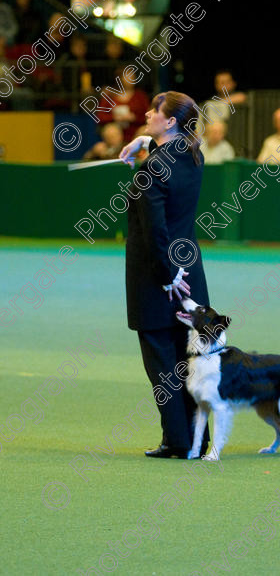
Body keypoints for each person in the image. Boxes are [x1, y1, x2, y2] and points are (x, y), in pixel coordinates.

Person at [119, 91, 210, 459]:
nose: (146, 112)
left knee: (162, 366)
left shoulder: (151, 169)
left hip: (160, 278)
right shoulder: (194, 155)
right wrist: (146, 141)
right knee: (189, 361)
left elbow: (155, 231)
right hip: (190, 272)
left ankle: (177, 442)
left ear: (169, 120)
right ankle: (198, 439)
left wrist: (168, 275)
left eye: (153, 111)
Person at [98, 70, 149, 142]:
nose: (130, 79)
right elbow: (100, 117)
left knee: (144, 132)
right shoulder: (110, 95)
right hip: (116, 129)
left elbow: (148, 115)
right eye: (127, 77)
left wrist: (134, 117)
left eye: (132, 76)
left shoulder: (140, 96)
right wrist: (115, 118)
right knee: (111, 131)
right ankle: (114, 152)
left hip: (136, 129)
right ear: (120, 78)